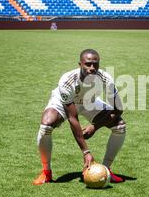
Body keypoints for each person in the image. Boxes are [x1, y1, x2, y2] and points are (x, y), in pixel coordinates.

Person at [33, 49, 126, 185]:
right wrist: (86, 152)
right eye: (88, 64)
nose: (92, 68)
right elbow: (72, 117)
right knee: (46, 125)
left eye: (95, 64)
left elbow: (118, 109)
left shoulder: (105, 78)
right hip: (64, 103)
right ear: (80, 64)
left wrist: (94, 126)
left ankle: (106, 170)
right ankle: (46, 172)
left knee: (120, 126)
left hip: (89, 102)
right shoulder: (67, 80)